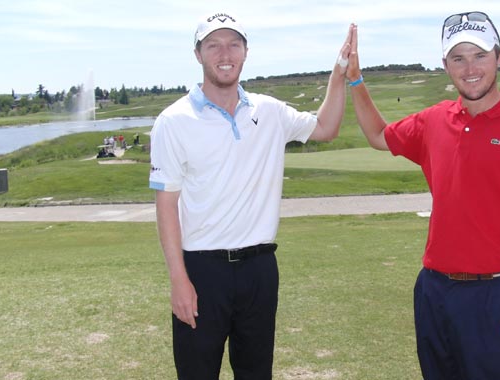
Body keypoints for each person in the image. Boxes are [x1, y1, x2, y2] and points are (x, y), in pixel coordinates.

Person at [344, 12, 500, 380]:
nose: (470, 68)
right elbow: (380, 136)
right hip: (434, 291)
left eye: (479, 55)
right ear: (445, 65)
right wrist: (355, 80)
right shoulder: (434, 120)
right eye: (458, 58)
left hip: (496, 294)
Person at [149, 12, 353, 380]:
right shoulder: (173, 121)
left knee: (256, 372)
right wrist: (178, 280)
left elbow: (325, 127)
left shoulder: (269, 111)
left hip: (260, 269)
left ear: (245, 53)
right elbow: (166, 206)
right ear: (198, 54)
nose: (224, 53)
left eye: (234, 44)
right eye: (213, 45)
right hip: (201, 270)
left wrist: (337, 77)